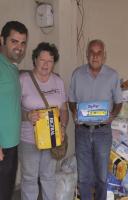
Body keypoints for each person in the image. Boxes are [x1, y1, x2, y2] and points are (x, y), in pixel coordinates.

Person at [69, 39, 122, 200]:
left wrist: (112, 115)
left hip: (102, 132)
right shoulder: (77, 74)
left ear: (104, 56)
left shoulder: (113, 75)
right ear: (87, 54)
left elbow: (119, 102)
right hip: (82, 131)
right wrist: (74, 112)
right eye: (92, 52)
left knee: (101, 177)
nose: (95, 56)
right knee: (84, 178)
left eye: (99, 53)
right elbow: (71, 100)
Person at [19, 42, 69, 200]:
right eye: (42, 60)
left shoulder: (58, 81)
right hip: (28, 139)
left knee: (48, 177)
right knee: (29, 179)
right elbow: (12, 109)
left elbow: (64, 109)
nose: (46, 64)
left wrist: (62, 125)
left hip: (52, 138)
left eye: (50, 61)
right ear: (35, 59)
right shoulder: (23, 80)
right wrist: (27, 116)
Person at [0, 21, 28, 200]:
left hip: (11, 144)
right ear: (2, 40)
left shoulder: (11, 67)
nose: (19, 47)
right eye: (14, 41)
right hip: (2, 146)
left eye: (23, 42)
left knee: (6, 191)